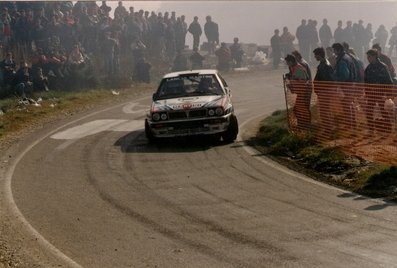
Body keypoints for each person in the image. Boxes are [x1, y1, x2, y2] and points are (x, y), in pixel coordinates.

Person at [364, 49, 394, 133]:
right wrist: (366, 93)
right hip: (371, 94)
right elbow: (366, 81)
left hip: (381, 94)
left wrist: (388, 95)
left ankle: (389, 129)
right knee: (369, 111)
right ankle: (371, 129)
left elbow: (389, 82)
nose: (368, 58)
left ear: (374, 56)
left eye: (369, 56)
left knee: (383, 111)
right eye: (367, 57)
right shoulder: (368, 68)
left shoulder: (383, 67)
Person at [332, 42, 357, 128]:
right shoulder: (347, 57)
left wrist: (337, 80)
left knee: (346, 105)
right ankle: (353, 123)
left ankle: (349, 124)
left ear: (338, 50)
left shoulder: (342, 60)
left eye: (334, 50)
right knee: (350, 104)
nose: (334, 52)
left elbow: (345, 75)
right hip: (351, 84)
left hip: (345, 85)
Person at [284, 54, 311, 129]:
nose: (287, 64)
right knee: (297, 109)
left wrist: (290, 83)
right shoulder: (294, 67)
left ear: (291, 61)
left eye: (287, 62)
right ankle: (302, 124)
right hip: (299, 92)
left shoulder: (299, 68)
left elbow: (302, 81)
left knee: (301, 109)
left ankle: (305, 125)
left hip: (302, 92)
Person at [313, 47, 335, 133]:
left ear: (319, 55)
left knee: (324, 111)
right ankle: (329, 127)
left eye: (315, 55)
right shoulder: (323, 64)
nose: (315, 57)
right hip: (323, 91)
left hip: (325, 91)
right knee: (325, 110)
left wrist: (320, 87)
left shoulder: (325, 65)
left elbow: (328, 80)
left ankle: (328, 128)